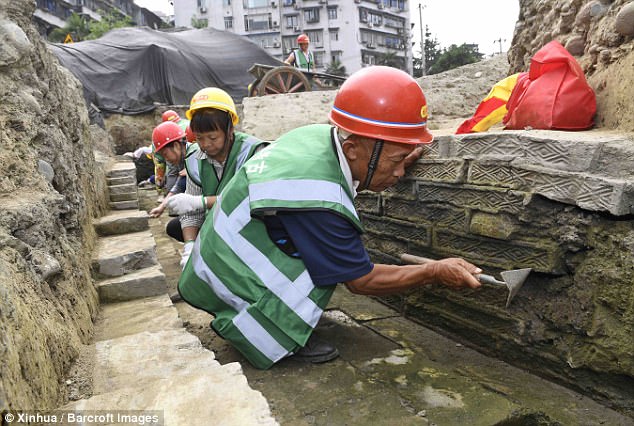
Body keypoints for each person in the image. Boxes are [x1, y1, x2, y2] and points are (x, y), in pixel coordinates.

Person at [177, 66, 482, 370]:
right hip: (224, 278)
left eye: (403, 160)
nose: (400, 172)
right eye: (396, 161)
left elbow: (340, 179)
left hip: (214, 257)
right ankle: (270, 331)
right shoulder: (319, 199)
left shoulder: (318, 138)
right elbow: (362, 280)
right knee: (327, 268)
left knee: (322, 254)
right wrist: (434, 272)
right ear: (352, 149)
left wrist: (394, 158)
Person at [165, 87, 268, 268]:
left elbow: (255, 199)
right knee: (176, 226)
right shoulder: (195, 159)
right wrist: (189, 246)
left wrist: (202, 202)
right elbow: (192, 211)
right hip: (219, 223)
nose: (205, 145)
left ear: (230, 130)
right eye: (199, 138)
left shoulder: (253, 152)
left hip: (251, 224)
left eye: (213, 137)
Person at [148, 122, 188, 243]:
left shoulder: (195, 156)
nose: (166, 160)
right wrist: (162, 206)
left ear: (176, 145)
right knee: (173, 227)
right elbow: (180, 184)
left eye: (165, 154)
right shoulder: (182, 160)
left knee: (176, 227)